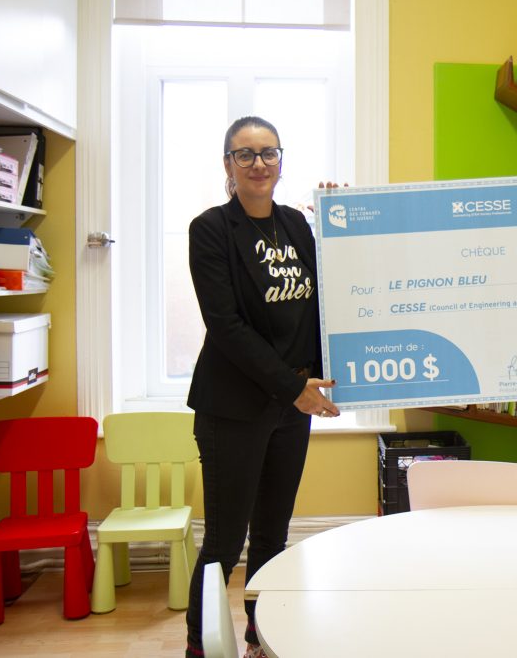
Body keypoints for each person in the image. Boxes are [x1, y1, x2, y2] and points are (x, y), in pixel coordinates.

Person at [185, 115, 340, 658]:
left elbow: (325, 304)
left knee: (273, 536)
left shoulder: (299, 225)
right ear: (228, 165)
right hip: (233, 408)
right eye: (245, 154)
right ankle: (199, 645)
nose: (258, 164)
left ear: (281, 160)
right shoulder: (209, 230)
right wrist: (291, 387)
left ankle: (261, 633)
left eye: (268, 153)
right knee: (225, 543)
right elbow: (225, 325)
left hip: (289, 407)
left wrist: (346, 224)